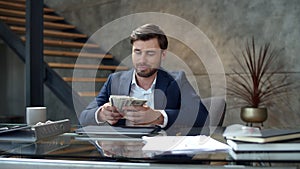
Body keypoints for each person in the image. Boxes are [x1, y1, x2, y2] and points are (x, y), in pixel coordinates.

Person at [79, 24, 209, 129]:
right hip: (123, 154)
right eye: (137, 52)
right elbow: (84, 117)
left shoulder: (177, 80)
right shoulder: (114, 80)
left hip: (161, 153)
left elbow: (202, 116)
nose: (142, 60)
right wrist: (102, 114)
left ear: (163, 55)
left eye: (150, 53)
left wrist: (159, 117)